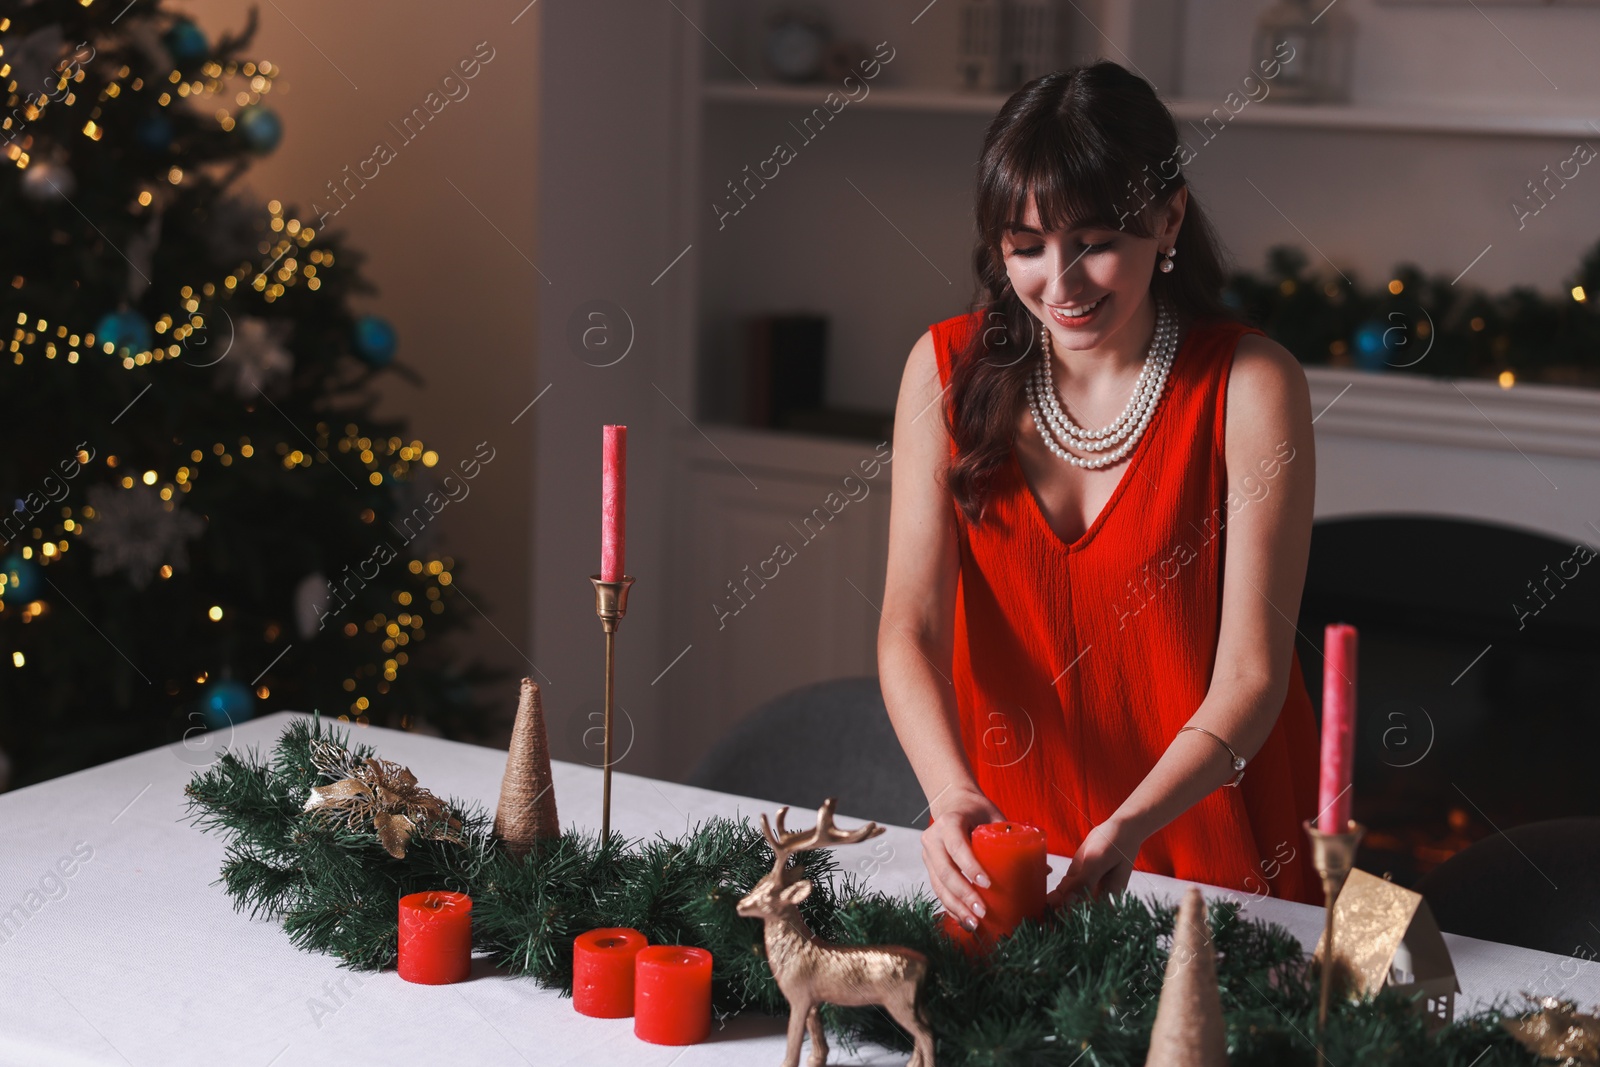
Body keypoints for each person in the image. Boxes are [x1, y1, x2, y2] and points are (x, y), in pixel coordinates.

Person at [879, 61, 1325, 931]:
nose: (1062, 281)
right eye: (1026, 246)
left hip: (1223, 853)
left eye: (1094, 241)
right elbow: (910, 629)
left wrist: (1128, 824)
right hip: (1017, 859)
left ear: (1169, 218)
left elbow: (1252, 675)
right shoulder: (941, 370)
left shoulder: (1253, 383)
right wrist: (949, 792)